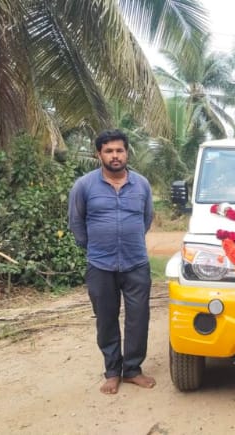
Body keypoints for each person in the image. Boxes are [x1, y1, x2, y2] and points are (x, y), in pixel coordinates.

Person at [68, 129, 155, 394]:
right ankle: (112, 371)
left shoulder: (142, 184)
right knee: (106, 319)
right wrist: (95, 247)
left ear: (127, 153)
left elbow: (146, 219)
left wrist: (129, 239)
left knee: (138, 318)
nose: (115, 156)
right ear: (99, 154)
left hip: (136, 263)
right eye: (109, 151)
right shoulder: (84, 186)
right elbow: (76, 223)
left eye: (119, 150)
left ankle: (132, 370)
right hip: (100, 265)